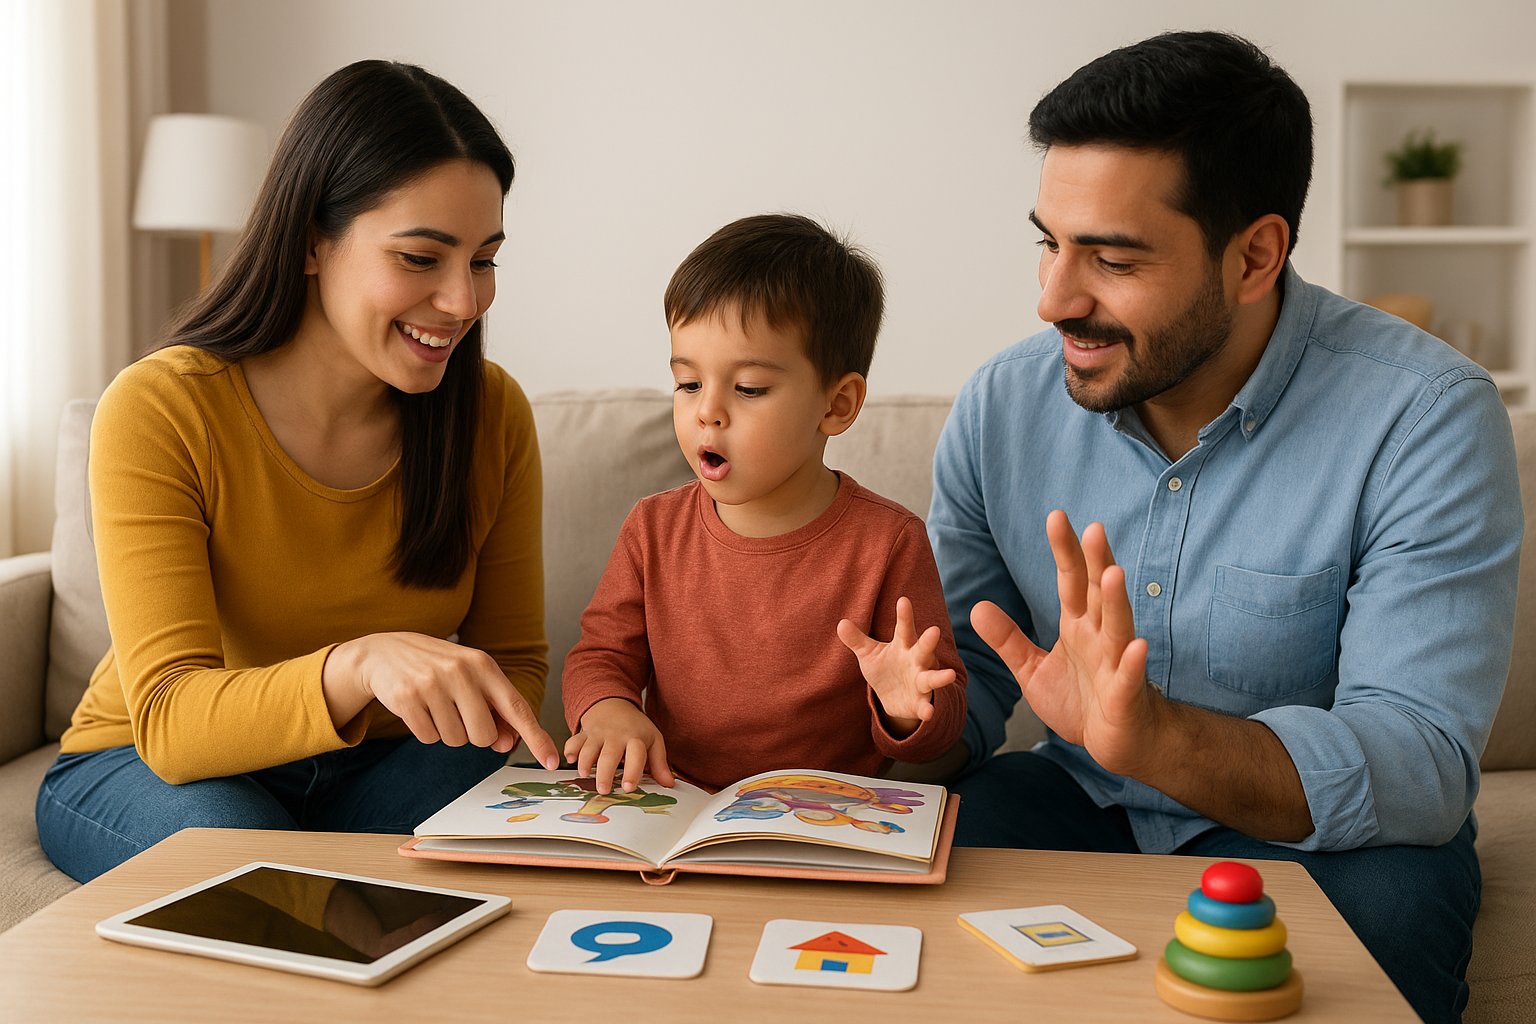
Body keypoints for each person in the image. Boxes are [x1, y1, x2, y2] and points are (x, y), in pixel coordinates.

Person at [927, 32, 1521, 1024]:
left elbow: (1418, 762)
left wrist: (1158, 740)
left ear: (1254, 256)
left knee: (1385, 926)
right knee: (920, 879)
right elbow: (969, 681)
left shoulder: (1425, 416)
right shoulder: (1001, 406)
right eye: (1050, 243)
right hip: (1079, 799)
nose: (1053, 299)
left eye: (1112, 258)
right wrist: (910, 715)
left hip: (1327, 841)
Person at [36, 60, 560, 884]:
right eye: (420, 257)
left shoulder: (491, 413)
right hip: (153, 764)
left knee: (505, 799)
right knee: (249, 863)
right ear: (313, 241)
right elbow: (170, 720)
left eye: (483, 260)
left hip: (383, 766)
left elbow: (515, 666)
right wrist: (357, 665)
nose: (463, 302)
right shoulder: (162, 408)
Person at [561, 214, 966, 794]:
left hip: (822, 818)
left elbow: (940, 723)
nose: (708, 411)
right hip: (676, 802)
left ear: (837, 405)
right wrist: (609, 709)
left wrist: (905, 708)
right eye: (688, 383)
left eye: (748, 388)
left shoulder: (889, 541)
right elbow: (600, 657)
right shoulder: (651, 529)